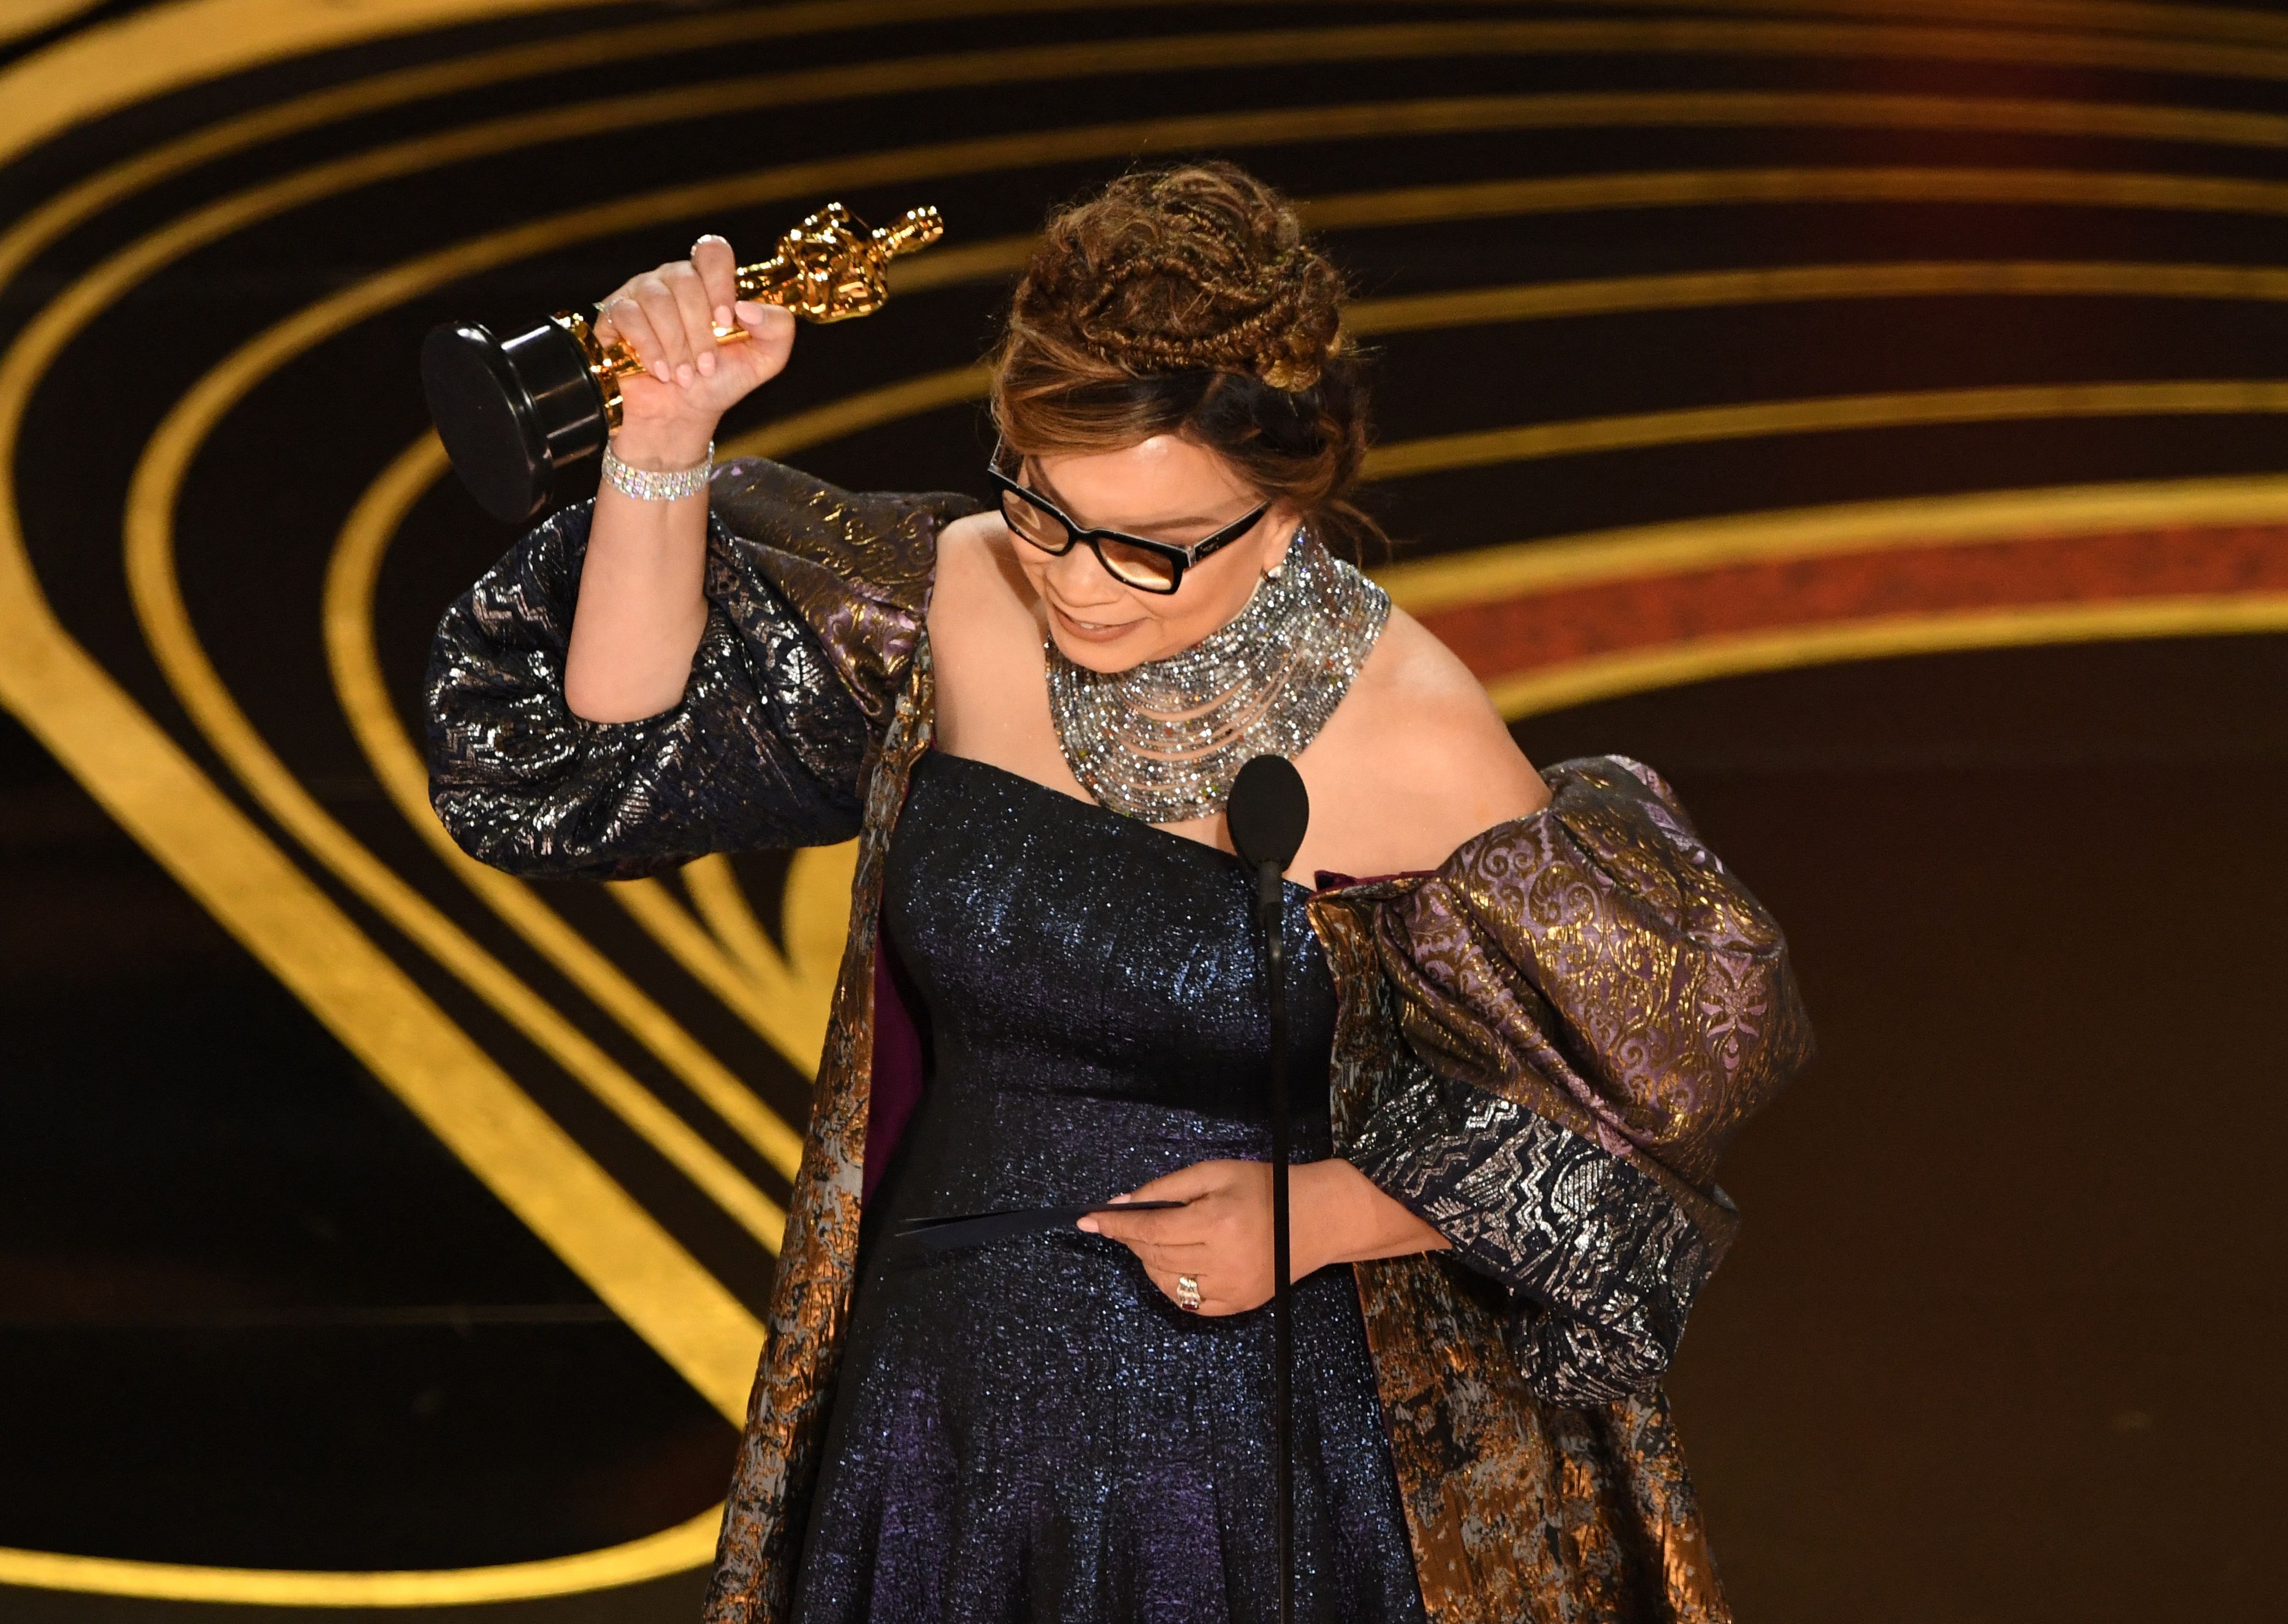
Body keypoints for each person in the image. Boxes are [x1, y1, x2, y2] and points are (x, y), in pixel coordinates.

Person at [426, 162, 1812, 1624]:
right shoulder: (958, 593)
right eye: (1042, 508)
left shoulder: (1410, 731)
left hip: (1254, 1453)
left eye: (1151, 547)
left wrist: (1331, 1214)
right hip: (941, 1412)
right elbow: (607, 752)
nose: (1082, 584)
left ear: (1288, 506)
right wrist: (664, 437)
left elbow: (1646, 1119)